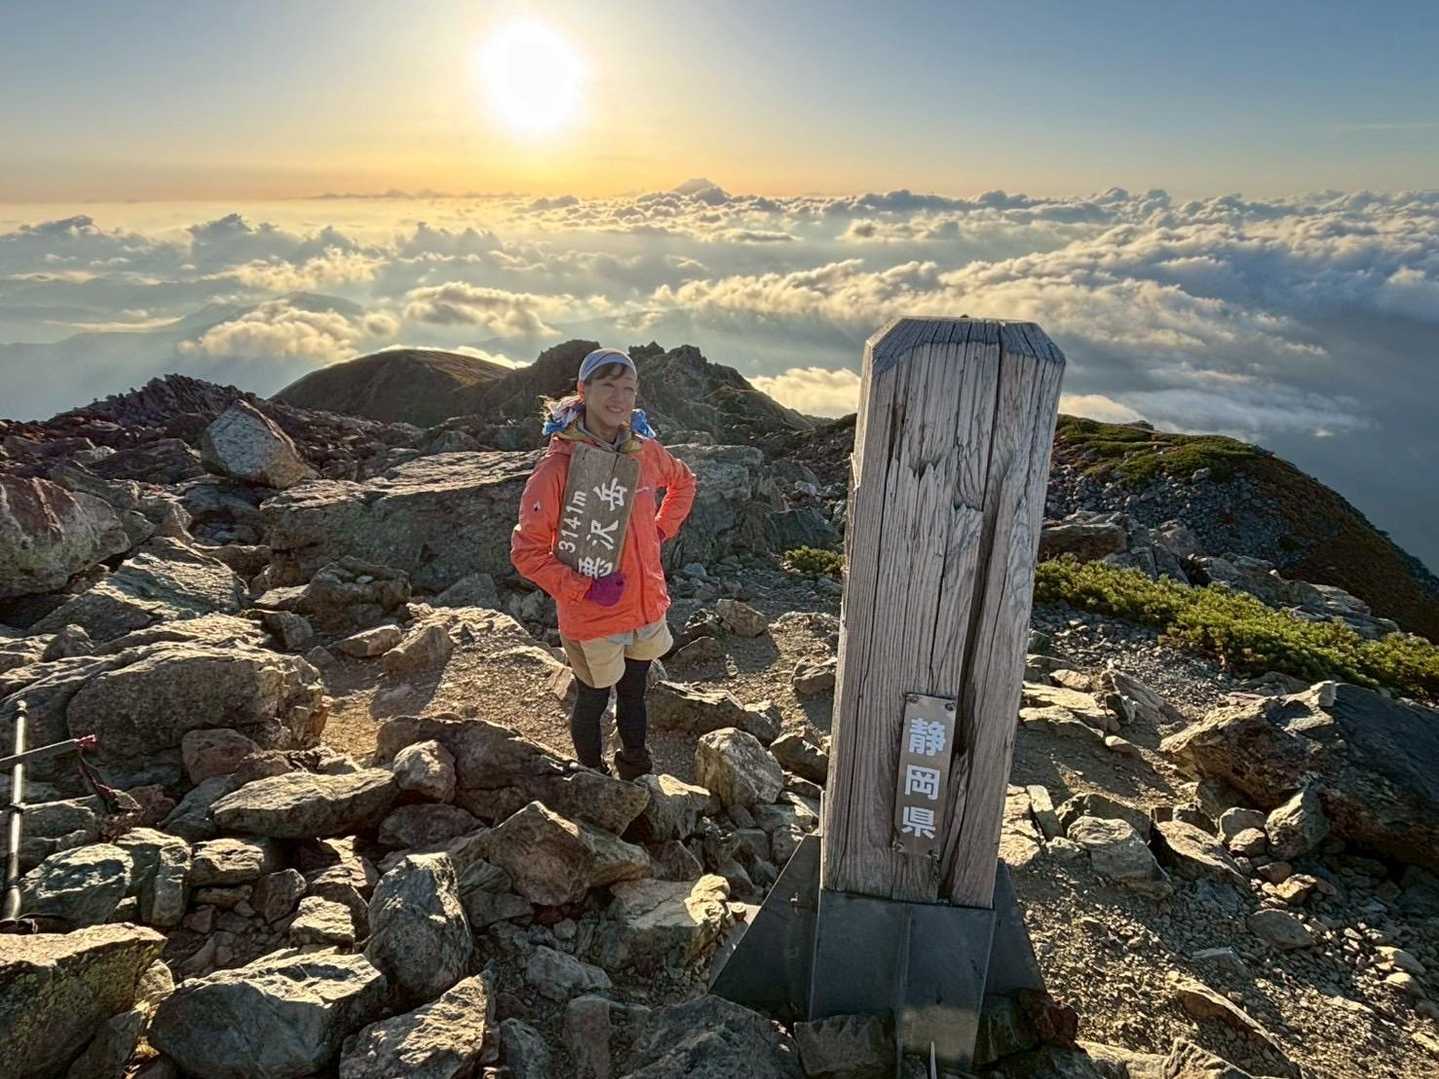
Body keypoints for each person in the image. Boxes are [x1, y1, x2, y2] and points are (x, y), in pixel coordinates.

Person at [510, 347, 697, 780]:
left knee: (634, 692)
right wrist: (584, 588)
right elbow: (526, 551)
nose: (619, 398)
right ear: (584, 390)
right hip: (592, 615)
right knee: (593, 700)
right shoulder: (557, 467)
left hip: (644, 604)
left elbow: (684, 482)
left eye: (628, 388)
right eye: (608, 385)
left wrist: (659, 530)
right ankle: (593, 778)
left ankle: (636, 769)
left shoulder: (643, 451)